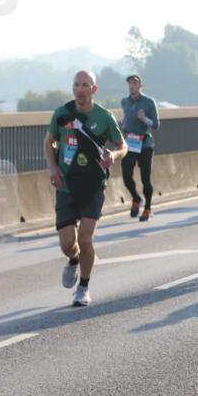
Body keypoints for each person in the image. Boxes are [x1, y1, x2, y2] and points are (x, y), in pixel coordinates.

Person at [44, 70, 126, 306]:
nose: (80, 89)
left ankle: (83, 287)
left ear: (94, 89)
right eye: (76, 85)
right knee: (67, 244)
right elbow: (49, 141)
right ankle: (73, 260)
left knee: (85, 238)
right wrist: (53, 167)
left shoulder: (104, 117)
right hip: (67, 185)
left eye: (85, 85)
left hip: (93, 185)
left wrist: (114, 155)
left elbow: (123, 146)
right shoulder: (61, 114)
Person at [119, 75, 160, 222]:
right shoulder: (124, 101)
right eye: (129, 83)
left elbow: (156, 125)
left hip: (145, 144)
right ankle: (136, 198)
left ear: (140, 86)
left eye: (134, 83)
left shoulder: (149, 102)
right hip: (130, 143)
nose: (131, 86)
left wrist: (144, 119)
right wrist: (123, 124)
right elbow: (126, 117)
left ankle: (147, 208)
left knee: (145, 178)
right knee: (126, 176)